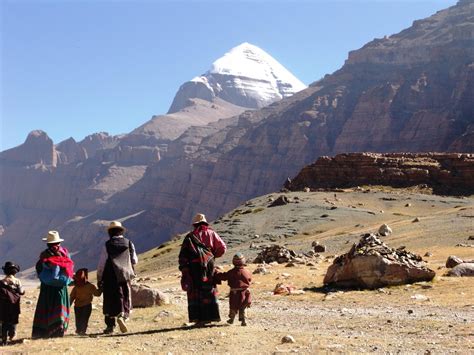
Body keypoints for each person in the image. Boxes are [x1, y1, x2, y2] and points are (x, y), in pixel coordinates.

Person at [178, 213, 227, 326]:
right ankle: (211, 316)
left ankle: (198, 319)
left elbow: (183, 255)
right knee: (209, 289)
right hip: (209, 266)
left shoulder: (190, 237)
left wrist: (184, 268)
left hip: (194, 268)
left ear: (195, 224)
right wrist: (212, 255)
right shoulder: (212, 234)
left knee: (196, 291)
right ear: (205, 223)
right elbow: (223, 248)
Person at [97, 221, 137, 334]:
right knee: (124, 295)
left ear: (110, 232)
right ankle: (123, 316)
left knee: (109, 299)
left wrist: (99, 278)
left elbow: (102, 263)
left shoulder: (107, 245)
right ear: (121, 231)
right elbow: (135, 260)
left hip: (109, 276)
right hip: (124, 275)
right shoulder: (128, 243)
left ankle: (110, 326)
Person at [32, 231, 74, 338]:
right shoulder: (65, 253)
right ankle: (58, 330)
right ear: (59, 242)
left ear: (47, 244)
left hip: (47, 287)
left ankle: (43, 332)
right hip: (61, 287)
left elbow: (39, 268)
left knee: (46, 307)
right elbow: (69, 268)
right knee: (60, 307)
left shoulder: (44, 255)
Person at [215, 253, 252, 326]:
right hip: (245, 292)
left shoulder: (231, 272)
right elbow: (250, 279)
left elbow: (223, 277)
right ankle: (243, 320)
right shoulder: (247, 271)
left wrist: (216, 272)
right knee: (243, 306)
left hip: (235, 293)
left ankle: (231, 319)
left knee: (233, 306)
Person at [70, 268, 102, 335]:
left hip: (79, 306)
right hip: (85, 306)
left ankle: (80, 330)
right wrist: (101, 288)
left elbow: (72, 297)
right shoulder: (90, 286)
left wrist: (68, 305)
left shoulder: (77, 287)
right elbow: (97, 294)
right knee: (83, 319)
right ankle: (81, 331)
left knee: (79, 319)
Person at [0, 262, 25, 345]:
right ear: (15, 272)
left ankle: (3, 339)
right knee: (13, 320)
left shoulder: (1, 282)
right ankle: (11, 336)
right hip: (14, 305)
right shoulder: (17, 281)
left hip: (3, 305)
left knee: (4, 321)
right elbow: (21, 292)